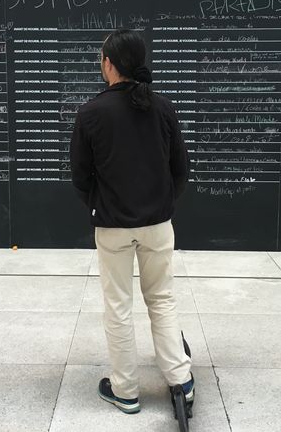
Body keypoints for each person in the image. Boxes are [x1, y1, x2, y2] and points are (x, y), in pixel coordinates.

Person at [70, 29, 193, 415]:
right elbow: (180, 169)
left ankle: (125, 390)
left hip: (112, 226)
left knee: (118, 306)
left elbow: (80, 175)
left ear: (109, 64)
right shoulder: (162, 107)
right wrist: (162, 202)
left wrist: (100, 205)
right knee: (162, 299)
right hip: (157, 223)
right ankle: (180, 379)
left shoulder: (91, 112)